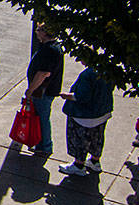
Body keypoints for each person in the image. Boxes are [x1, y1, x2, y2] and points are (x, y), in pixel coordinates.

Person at [57, 65, 114, 176]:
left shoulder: (88, 75)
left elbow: (81, 96)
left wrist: (66, 96)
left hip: (84, 116)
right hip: (102, 112)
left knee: (80, 141)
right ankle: (95, 161)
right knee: (97, 138)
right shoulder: (107, 70)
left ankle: (79, 165)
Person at [25, 22, 64, 154]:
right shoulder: (52, 47)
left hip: (43, 92)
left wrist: (30, 90)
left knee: (42, 119)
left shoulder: (49, 50)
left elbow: (43, 73)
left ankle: (45, 146)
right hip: (45, 91)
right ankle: (41, 144)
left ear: (45, 32)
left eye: (39, 30)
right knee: (41, 117)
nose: (36, 32)